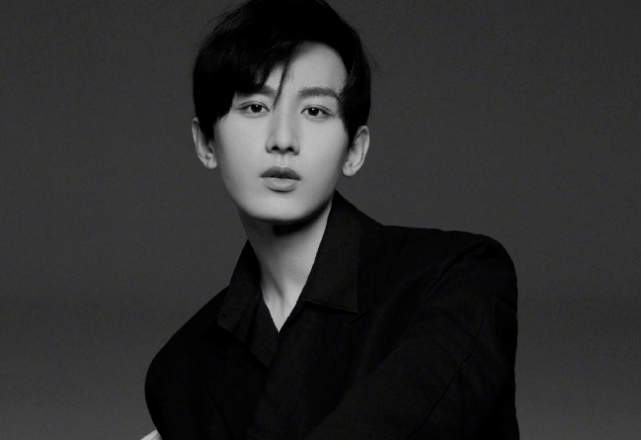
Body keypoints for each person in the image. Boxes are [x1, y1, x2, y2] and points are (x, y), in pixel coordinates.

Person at [145, 0, 520, 439]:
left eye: (315, 111)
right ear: (206, 143)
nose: (283, 139)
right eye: (255, 107)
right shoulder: (182, 371)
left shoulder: (460, 277)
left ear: (354, 151)